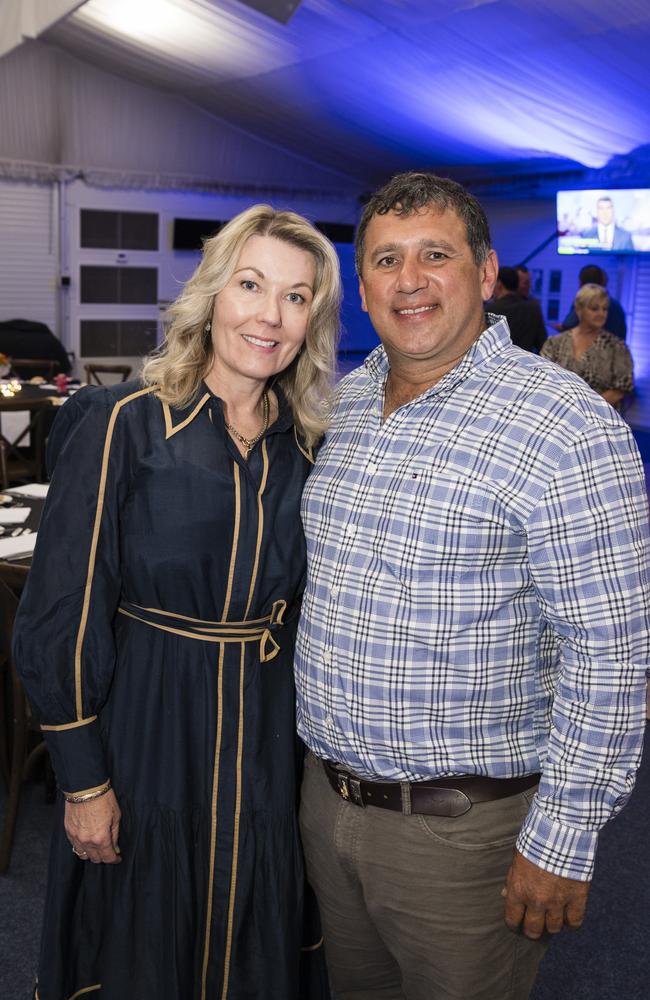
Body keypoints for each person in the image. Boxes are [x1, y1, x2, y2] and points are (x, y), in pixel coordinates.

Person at [294, 172, 649, 1000]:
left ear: (486, 274)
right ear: (363, 284)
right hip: (327, 807)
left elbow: (610, 659)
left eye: (435, 255)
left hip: (463, 835)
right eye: (386, 258)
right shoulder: (341, 410)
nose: (409, 279)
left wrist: (561, 842)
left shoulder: (566, 426)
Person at [14, 204, 342, 1000]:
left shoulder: (307, 444)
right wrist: (85, 780)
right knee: (144, 935)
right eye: (252, 284)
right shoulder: (122, 421)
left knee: (251, 931)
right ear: (212, 293)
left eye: (297, 297)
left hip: (266, 736)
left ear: (314, 319)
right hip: (150, 727)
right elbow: (63, 609)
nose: (270, 315)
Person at [541, 283, 633, 411]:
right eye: (594, 308)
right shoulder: (555, 343)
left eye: (605, 309)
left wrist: (585, 410)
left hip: (599, 420)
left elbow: (620, 389)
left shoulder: (617, 348)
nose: (601, 314)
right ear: (579, 309)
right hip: (556, 416)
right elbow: (542, 380)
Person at [559, 264, 627, 340]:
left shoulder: (582, 301)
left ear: (581, 284)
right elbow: (622, 335)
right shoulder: (617, 307)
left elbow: (569, 326)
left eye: (604, 309)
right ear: (603, 283)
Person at [490, 265, 547, 352]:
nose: (528, 286)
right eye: (525, 283)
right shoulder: (533, 308)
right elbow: (542, 345)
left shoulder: (490, 309)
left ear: (499, 284)